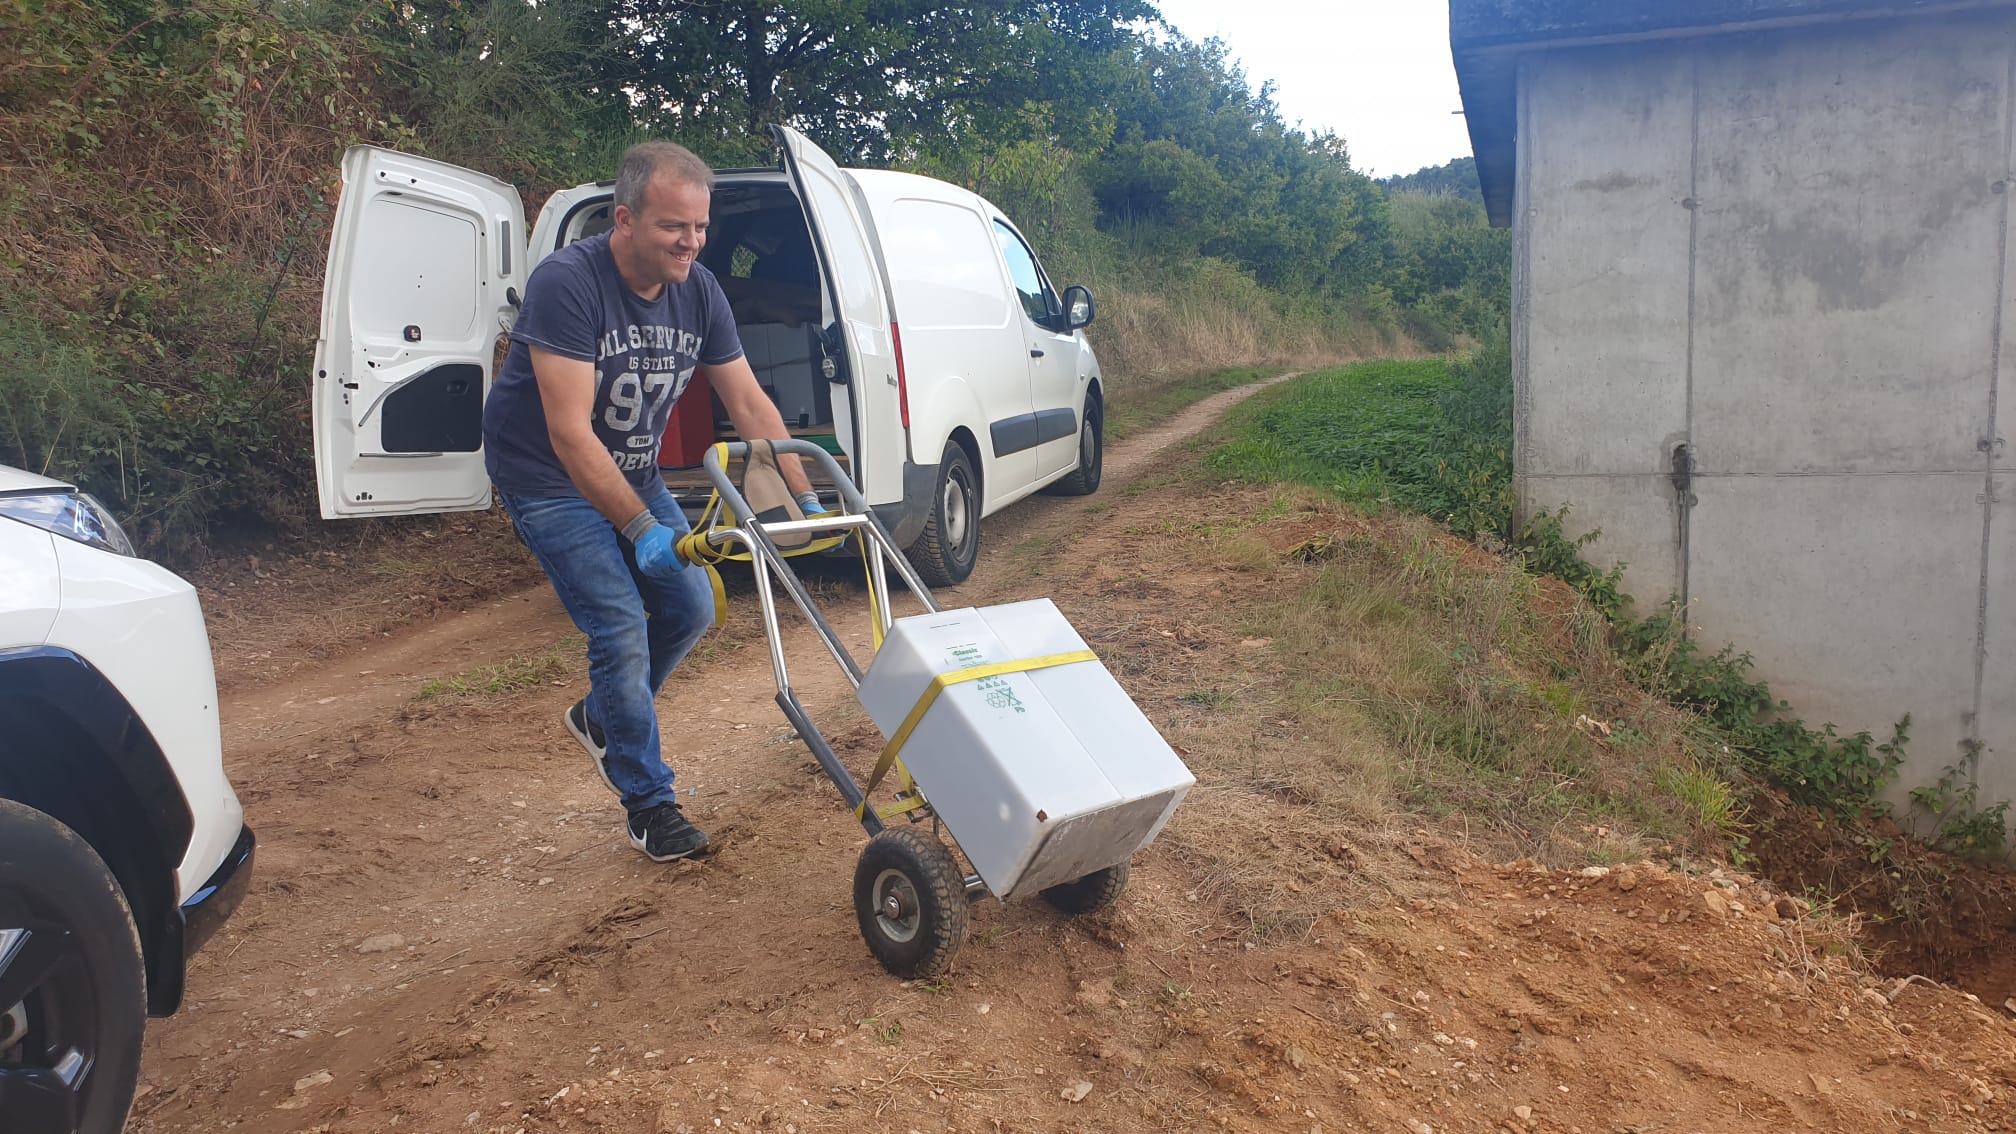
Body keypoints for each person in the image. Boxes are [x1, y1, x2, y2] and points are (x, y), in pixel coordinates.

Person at [481, 141, 821, 861]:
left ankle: (602, 715)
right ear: (625, 219)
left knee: (693, 606)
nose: (692, 243)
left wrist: (807, 495)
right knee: (622, 626)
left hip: (632, 468)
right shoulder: (568, 284)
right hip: (547, 477)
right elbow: (569, 434)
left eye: (700, 228)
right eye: (675, 227)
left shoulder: (698, 288)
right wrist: (639, 530)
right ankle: (651, 804)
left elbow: (749, 400)